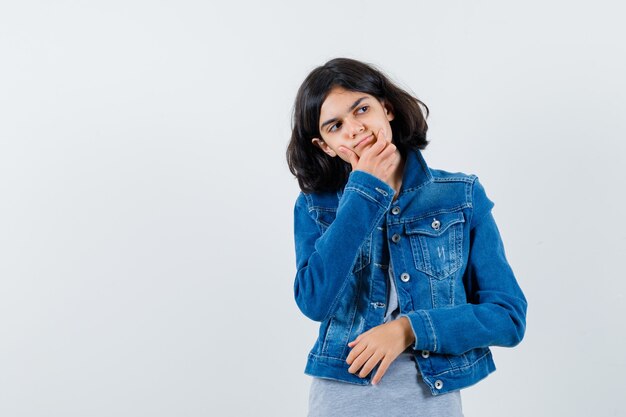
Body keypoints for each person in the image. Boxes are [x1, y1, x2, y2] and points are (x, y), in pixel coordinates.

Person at [286, 57, 528, 417]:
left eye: (361, 109)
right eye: (335, 125)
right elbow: (314, 302)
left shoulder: (460, 196)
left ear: (387, 108)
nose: (353, 129)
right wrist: (364, 192)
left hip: (430, 400)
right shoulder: (315, 206)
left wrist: (409, 329)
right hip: (340, 400)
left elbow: (508, 317)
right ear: (325, 146)